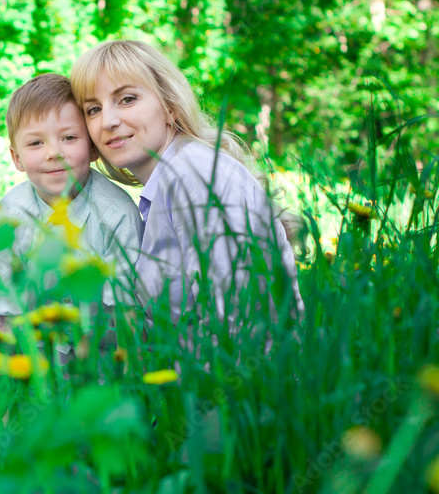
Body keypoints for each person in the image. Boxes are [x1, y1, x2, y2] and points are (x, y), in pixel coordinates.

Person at [69, 39, 303, 323]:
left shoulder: (193, 175)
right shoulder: (170, 181)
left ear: (171, 107)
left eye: (127, 99)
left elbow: (238, 318)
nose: (108, 121)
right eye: (93, 109)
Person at [0, 73, 144, 316]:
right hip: (28, 343)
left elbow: (126, 311)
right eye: (36, 143)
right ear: (17, 158)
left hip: (101, 345)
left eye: (69, 138)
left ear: (92, 148)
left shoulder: (116, 214)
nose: (54, 153)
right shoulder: (9, 215)